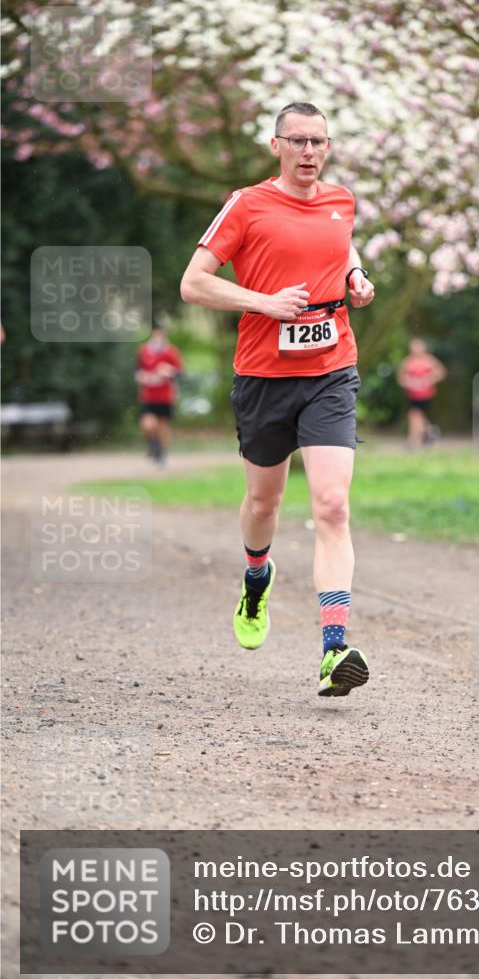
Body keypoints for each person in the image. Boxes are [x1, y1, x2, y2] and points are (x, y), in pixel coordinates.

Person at [180, 101, 375, 698]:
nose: (310, 152)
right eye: (298, 141)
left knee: (333, 505)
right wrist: (263, 302)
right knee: (263, 503)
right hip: (264, 376)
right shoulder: (247, 204)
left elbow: (340, 247)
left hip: (331, 370)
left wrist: (355, 278)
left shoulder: (342, 200)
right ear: (276, 146)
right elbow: (193, 283)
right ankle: (256, 579)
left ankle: (333, 648)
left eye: (319, 141)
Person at [135, 324, 183, 464]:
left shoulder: (171, 352)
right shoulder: (144, 350)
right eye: (156, 335)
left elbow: (180, 373)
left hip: (166, 395)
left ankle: (162, 452)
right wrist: (143, 376)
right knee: (147, 424)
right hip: (148, 395)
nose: (158, 339)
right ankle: (152, 443)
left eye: (161, 336)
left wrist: (169, 371)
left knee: (163, 425)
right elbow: (136, 370)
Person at [397, 338, 447, 450]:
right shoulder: (408, 361)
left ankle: (412, 441)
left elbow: (441, 373)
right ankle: (430, 431)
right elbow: (401, 378)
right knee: (417, 416)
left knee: (415, 415)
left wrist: (428, 380)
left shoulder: (429, 360)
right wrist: (407, 382)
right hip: (413, 394)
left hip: (426, 394)